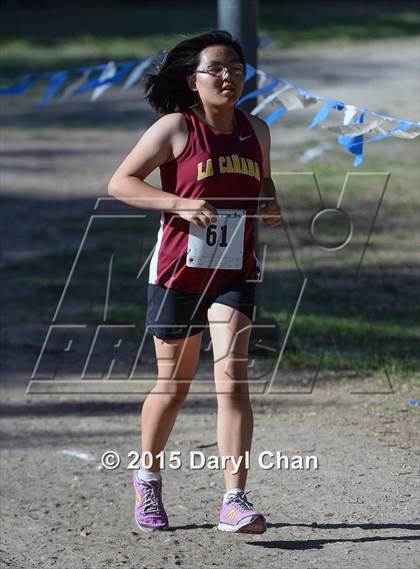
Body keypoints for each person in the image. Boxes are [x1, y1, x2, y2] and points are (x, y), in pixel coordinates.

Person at [108, 30, 282, 534]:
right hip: (179, 273)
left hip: (235, 271)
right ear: (193, 80)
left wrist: (268, 200)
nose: (228, 76)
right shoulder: (175, 129)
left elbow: (262, 178)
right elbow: (121, 182)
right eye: (216, 69)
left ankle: (235, 498)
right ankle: (147, 477)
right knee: (175, 385)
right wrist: (180, 204)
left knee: (232, 379)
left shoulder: (257, 129)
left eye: (236, 67)